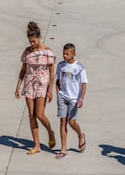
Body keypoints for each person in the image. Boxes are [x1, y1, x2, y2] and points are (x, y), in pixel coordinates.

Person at [15, 21, 56, 155]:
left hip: (42, 83)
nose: (32, 44)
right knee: (31, 115)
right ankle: (36, 145)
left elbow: (51, 72)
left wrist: (50, 90)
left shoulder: (47, 52)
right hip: (29, 83)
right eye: (30, 41)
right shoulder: (27, 52)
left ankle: (50, 131)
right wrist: (18, 86)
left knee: (39, 114)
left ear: (39, 37)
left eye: (33, 41)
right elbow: (23, 69)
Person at [55, 43, 87, 159]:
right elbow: (58, 79)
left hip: (74, 99)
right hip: (63, 96)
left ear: (73, 54)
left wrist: (81, 99)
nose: (64, 56)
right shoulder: (61, 66)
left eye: (67, 54)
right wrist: (58, 92)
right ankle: (63, 149)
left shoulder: (79, 68)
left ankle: (80, 135)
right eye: (63, 53)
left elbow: (83, 84)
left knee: (72, 122)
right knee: (63, 121)